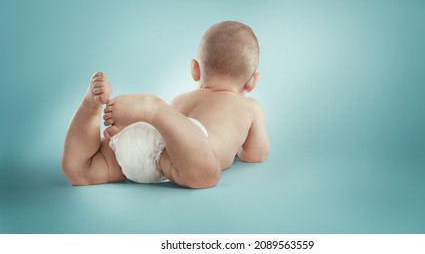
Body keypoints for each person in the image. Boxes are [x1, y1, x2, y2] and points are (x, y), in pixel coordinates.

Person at [61, 21, 270, 189]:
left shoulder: (181, 99)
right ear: (252, 81)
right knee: (206, 175)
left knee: (80, 172)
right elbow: (255, 154)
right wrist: (237, 148)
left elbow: (166, 134)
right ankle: (153, 108)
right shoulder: (250, 107)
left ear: (195, 69)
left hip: (143, 137)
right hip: (173, 158)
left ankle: (91, 107)